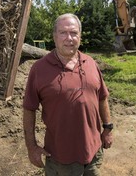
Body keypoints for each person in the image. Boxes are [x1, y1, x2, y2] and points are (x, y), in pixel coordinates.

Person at [23, 13, 113, 176]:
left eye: (73, 33)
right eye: (63, 32)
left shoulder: (91, 63)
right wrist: (32, 147)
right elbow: (29, 109)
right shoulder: (39, 69)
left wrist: (107, 128)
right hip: (61, 158)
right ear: (54, 36)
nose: (69, 38)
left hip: (93, 151)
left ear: (80, 36)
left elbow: (102, 97)